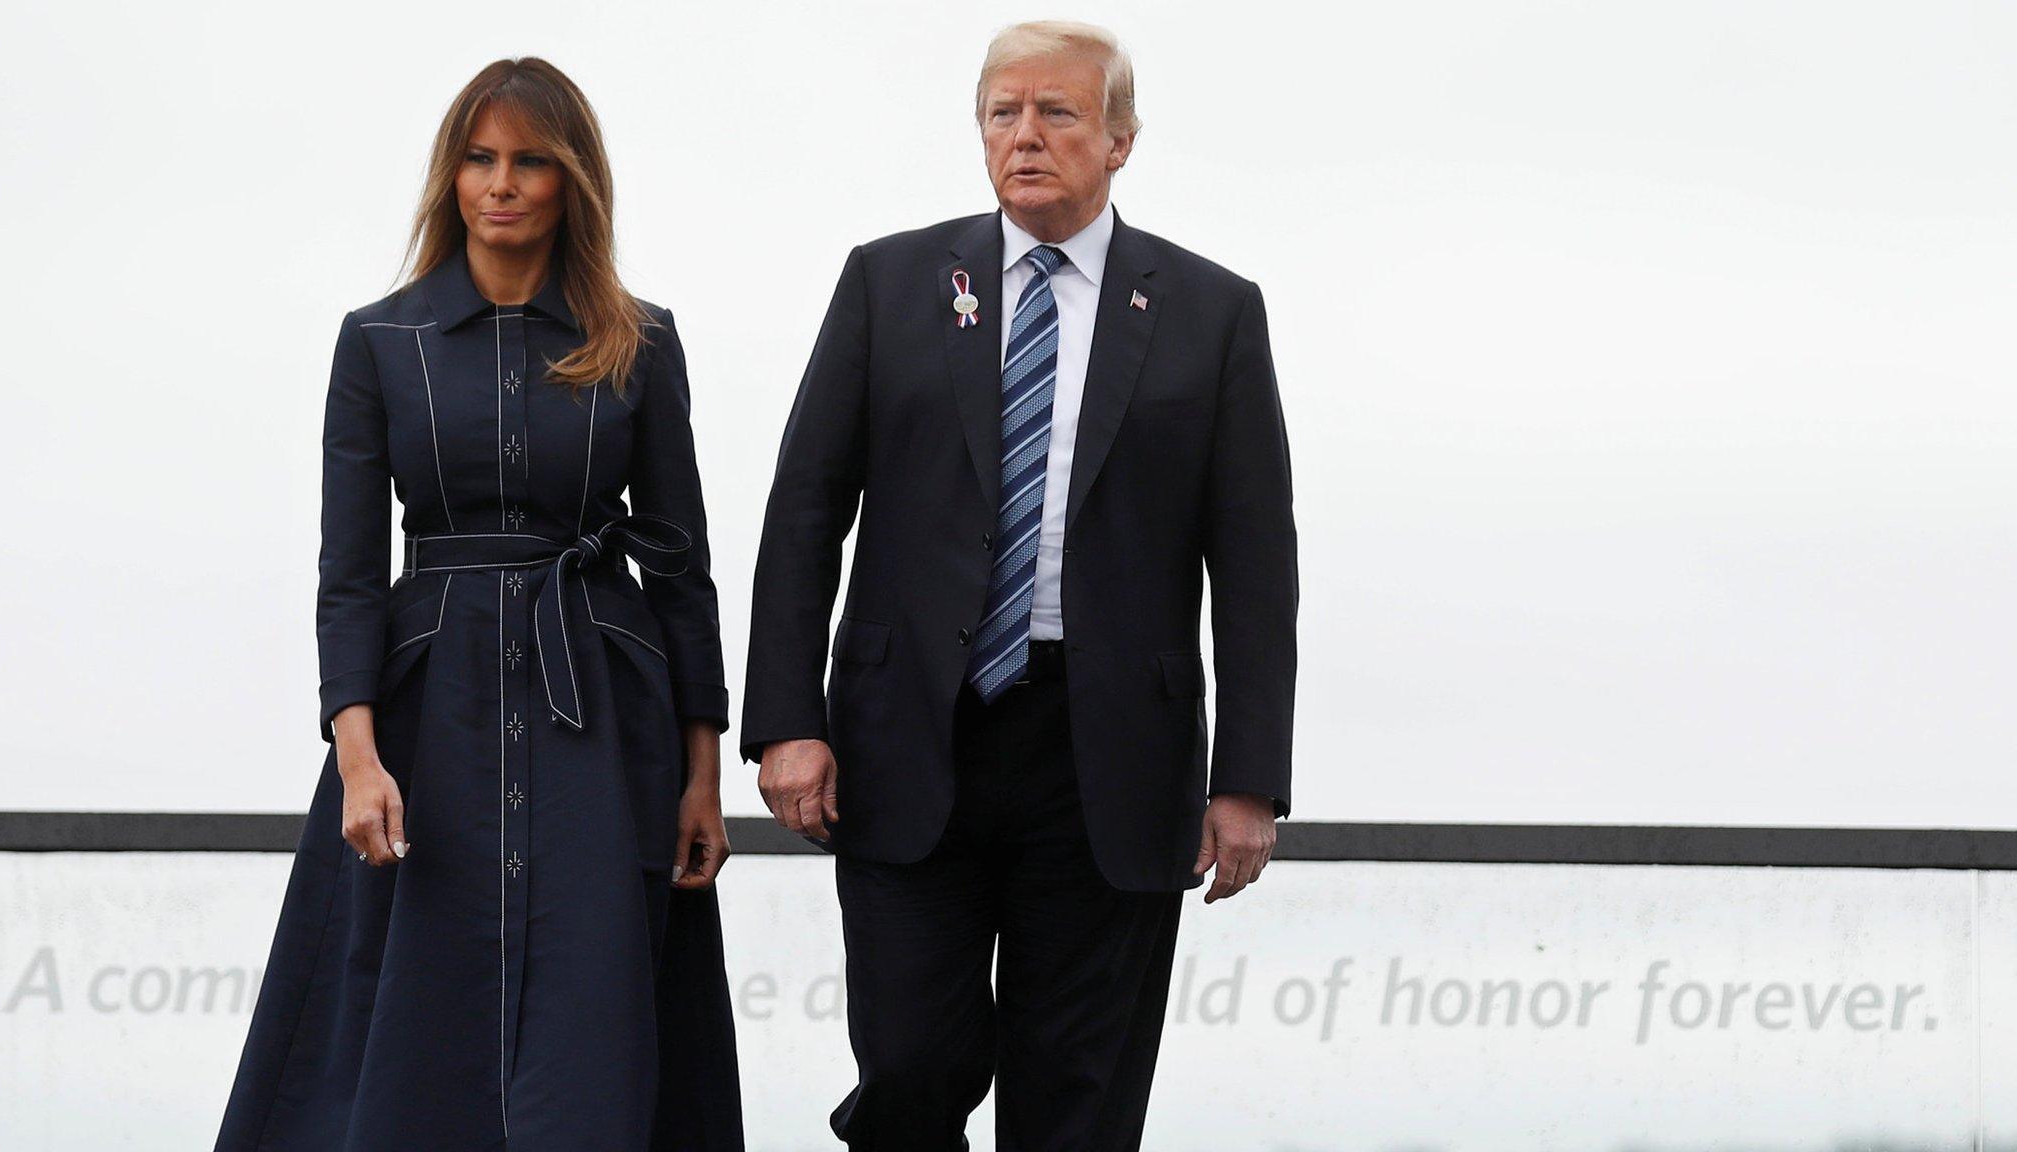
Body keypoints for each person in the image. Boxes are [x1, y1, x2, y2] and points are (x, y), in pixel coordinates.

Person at [743, 20, 1298, 1151]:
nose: (1025, 136)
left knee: (1076, 1101)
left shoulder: (1209, 310)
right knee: (909, 1064)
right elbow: (805, 511)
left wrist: (1248, 780)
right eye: (1004, 113)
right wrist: (784, 723)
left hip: (1110, 761)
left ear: (1119, 140)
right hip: (910, 738)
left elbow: (1252, 565)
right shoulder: (889, 282)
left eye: (1056, 113)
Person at [214, 58, 743, 1152]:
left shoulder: (641, 342)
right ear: (450, 173)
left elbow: (682, 568)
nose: (500, 183)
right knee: (409, 1012)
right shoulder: (378, 341)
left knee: (595, 1009)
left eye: (530, 161)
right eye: (478, 157)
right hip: (424, 714)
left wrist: (702, 776)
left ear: (572, 182)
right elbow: (350, 572)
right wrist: (357, 756)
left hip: (602, 710)